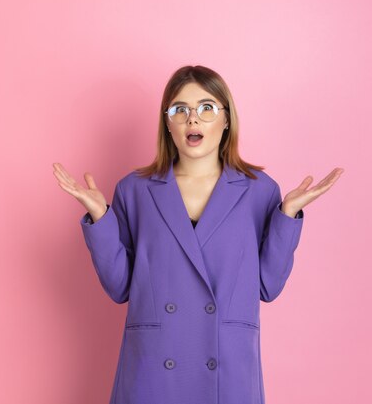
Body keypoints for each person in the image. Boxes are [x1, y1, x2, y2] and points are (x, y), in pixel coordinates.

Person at [53, 65, 343, 404]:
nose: (193, 119)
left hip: (227, 368)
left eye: (207, 108)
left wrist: (287, 214)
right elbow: (120, 288)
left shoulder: (259, 191)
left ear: (226, 120)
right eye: (180, 110)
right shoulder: (135, 190)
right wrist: (101, 217)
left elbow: (267, 286)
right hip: (153, 370)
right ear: (168, 123)